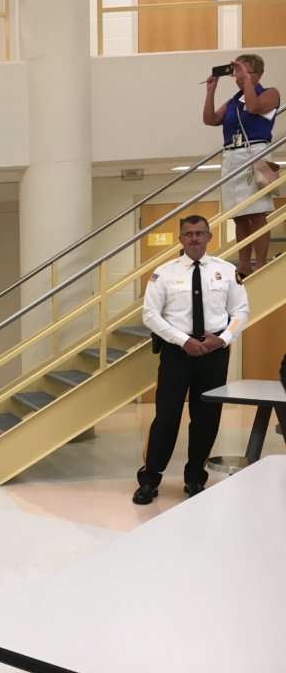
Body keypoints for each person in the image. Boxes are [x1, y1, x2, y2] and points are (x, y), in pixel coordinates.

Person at [133, 215, 249, 505]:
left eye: (200, 233)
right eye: (188, 233)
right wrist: (182, 339)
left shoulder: (226, 271)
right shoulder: (164, 273)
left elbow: (240, 312)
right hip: (177, 353)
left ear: (210, 237)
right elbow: (150, 314)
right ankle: (149, 480)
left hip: (214, 353)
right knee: (166, 417)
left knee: (206, 418)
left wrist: (222, 339)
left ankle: (195, 478)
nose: (194, 238)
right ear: (181, 238)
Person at [203, 53, 280, 275]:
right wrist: (211, 90)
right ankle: (244, 263)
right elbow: (210, 119)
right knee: (239, 215)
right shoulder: (234, 101)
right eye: (237, 73)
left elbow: (254, 107)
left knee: (257, 212)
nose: (237, 77)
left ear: (257, 73)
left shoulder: (269, 93)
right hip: (232, 155)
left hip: (254, 152)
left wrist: (246, 81)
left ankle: (261, 262)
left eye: (243, 72)